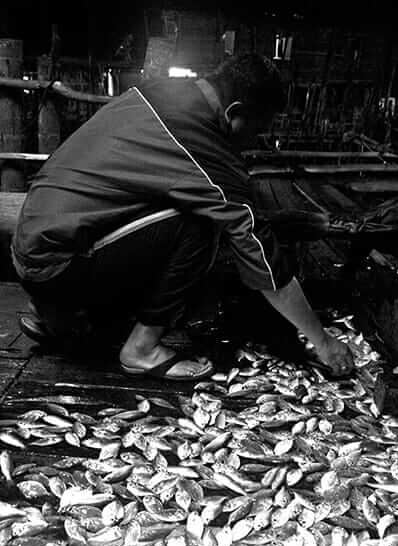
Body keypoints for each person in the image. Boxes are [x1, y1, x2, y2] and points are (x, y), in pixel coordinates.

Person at [11, 53, 354, 381]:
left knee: (187, 211)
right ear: (235, 113)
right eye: (255, 130)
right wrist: (322, 341)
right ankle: (140, 349)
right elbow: (257, 248)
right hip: (58, 265)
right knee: (201, 224)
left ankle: (61, 319)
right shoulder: (199, 136)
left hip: (34, 244)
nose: (251, 143)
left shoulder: (162, 92)